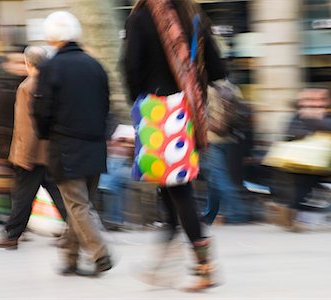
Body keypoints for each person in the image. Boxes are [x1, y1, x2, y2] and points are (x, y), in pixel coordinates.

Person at [124, 0, 226, 291]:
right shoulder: (194, 14)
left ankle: (205, 266)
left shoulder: (141, 17)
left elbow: (131, 67)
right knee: (170, 191)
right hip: (191, 112)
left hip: (161, 114)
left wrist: (144, 101)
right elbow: (218, 68)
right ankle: (161, 267)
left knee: (178, 191)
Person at [33, 11, 112, 276]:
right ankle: (69, 257)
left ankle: (100, 254)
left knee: (77, 205)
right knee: (78, 205)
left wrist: (44, 133)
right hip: (95, 145)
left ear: (51, 36)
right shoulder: (95, 65)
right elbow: (106, 106)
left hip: (66, 146)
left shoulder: (49, 68)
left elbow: (42, 109)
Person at [0, 46, 67, 250]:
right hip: (50, 151)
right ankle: (79, 229)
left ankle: (12, 235)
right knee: (58, 192)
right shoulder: (54, 83)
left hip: (32, 154)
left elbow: (26, 126)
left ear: (27, 63)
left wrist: (24, 156)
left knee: (23, 195)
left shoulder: (27, 86)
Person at [281, 87, 331, 231]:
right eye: (309, 99)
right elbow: (289, 134)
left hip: (324, 163)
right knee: (299, 180)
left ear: (327, 101)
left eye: (319, 99)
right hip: (300, 161)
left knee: (304, 182)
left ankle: (294, 212)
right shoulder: (297, 117)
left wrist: (311, 121)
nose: (315, 103)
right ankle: (294, 214)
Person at [201, 82, 250, 225]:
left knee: (220, 177)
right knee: (214, 177)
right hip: (228, 138)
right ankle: (210, 214)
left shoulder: (207, 89)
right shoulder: (233, 87)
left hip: (212, 138)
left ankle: (237, 213)